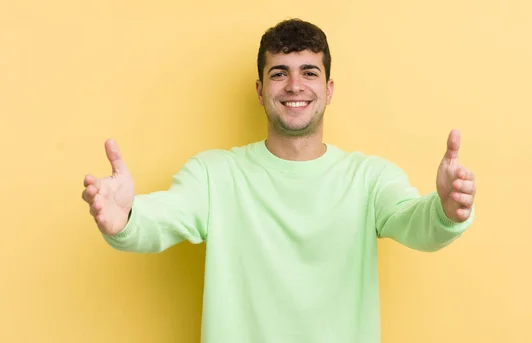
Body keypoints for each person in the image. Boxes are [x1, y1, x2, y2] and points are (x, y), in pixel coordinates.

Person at [82, 18, 476, 343]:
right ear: (260, 90)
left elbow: (414, 221)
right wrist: (128, 217)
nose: (294, 86)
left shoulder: (369, 178)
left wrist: (445, 211)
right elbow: (165, 216)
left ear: (329, 89)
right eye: (279, 74)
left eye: (309, 72)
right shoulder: (214, 175)